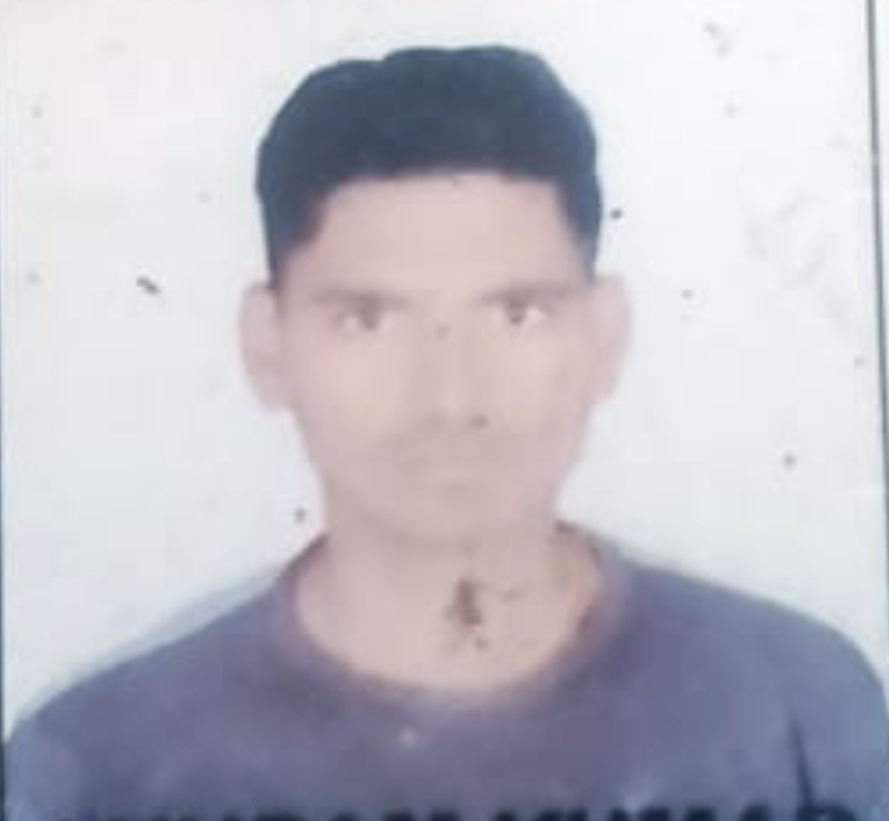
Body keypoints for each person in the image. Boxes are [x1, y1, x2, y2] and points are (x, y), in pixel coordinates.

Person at [6, 45, 888, 821]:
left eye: (516, 313)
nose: (450, 397)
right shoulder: (93, 765)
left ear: (604, 337)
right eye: (367, 319)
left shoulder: (798, 710)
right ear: (266, 346)